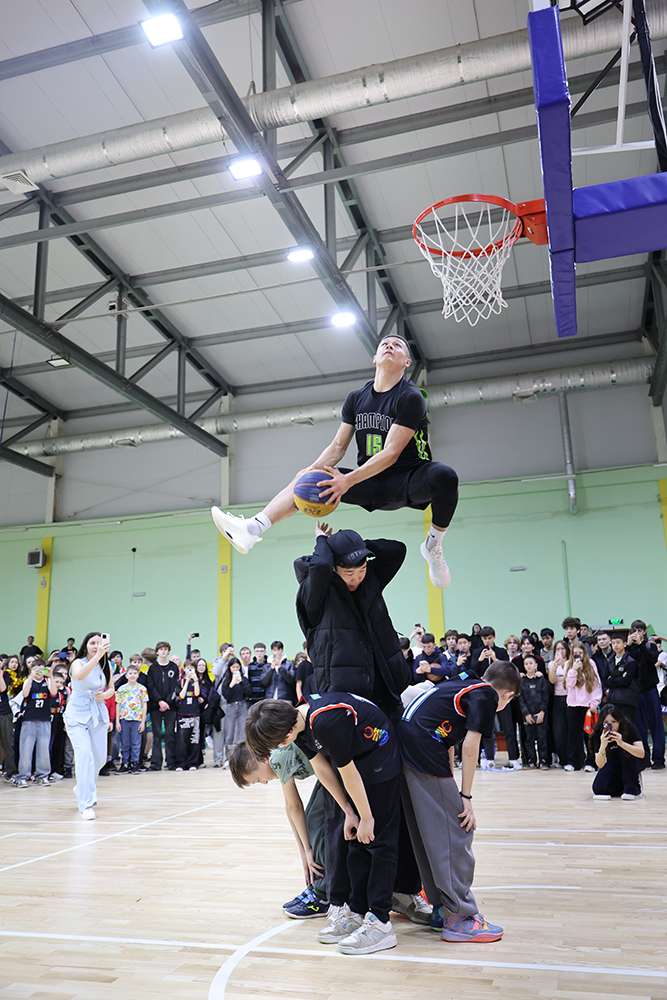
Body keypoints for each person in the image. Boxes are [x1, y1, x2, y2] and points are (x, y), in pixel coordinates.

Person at [212, 333, 459, 588]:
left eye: (398, 345)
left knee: (445, 476)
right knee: (307, 479)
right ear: (374, 358)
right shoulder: (356, 398)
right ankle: (252, 529)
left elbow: (391, 453)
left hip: (408, 479)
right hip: (369, 480)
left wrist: (346, 481)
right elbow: (338, 446)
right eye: (384, 344)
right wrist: (310, 471)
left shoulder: (410, 397)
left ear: (407, 362)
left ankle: (433, 545)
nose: (389, 345)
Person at [246, 693, 402, 956]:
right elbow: (323, 769)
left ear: (284, 735)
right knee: (353, 841)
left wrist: (366, 817)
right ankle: (357, 912)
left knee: (379, 842)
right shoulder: (299, 727)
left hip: (380, 759)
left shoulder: (326, 722)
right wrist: (349, 811)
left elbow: (348, 772)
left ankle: (381, 923)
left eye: (275, 743)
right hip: (359, 762)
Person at [398, 662, 520, 942]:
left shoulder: (463, 681)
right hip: (422, 749)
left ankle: (441, 908)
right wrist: (465, 797)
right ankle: (461, 917)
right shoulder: (487, 695)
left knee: (429, 833)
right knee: (458, 829)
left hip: (406, 746)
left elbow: (447, 735)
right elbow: (470, 746)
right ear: (507, 695)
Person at [230, 741, 338, 918]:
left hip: (338, 763)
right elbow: (290, 808)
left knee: (317, 822)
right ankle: (318, 887)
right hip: (329, 765)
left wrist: (308, 850)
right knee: (311, 818)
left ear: (262, 759)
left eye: (257, 779)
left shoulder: (278, 758)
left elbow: (295, 806)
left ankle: (323, 895)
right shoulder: (274, 758)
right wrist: (303, 851)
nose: (264, 782)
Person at [64, 633, 114, 819]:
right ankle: (85, 803)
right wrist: (97, 656)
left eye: (99, 643)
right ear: (86, 645)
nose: (96, 646)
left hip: (97, 714)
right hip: (77, 715)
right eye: (93, 643)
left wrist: (105, 695)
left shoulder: (107, 665)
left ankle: (82, 787)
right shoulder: (77, 663)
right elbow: (79, 676)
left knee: (99, 758)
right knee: (84, 756)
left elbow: (111, 689)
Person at [471, 628, 519, 769]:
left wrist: (495, 659)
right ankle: (489, 758)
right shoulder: (476, 652)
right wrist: (480, 660)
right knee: (488, 728)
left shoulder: (501, 651)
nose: (487, 641)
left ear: (494, 637)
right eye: (484, 638)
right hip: (485, 696)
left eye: (489, 638)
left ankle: (513, 758)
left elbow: (508, 670)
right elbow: (472, 672)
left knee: (508, 727)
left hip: (502, 693)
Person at [13, 658, 59, 788]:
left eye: (41, 668)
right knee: (26, 749)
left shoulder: (47, 681)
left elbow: (54, 693)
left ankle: (42, 776)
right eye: (35, 669)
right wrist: (31, 676)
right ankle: (23, 776)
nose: (38, 671)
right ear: (31, 669)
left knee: (43, 750)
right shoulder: (28, 681)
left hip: (45, 720)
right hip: (29, 720)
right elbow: (25, 693)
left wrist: (50, 676)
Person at [626, 620, 664, 770]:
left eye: (639, 630)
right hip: (635, 692)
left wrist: (641, 644)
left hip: (650, 690)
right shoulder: (630, 648)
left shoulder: (650, 645)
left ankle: (659, 758)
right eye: (634, 631)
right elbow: (626, 663)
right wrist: (628, 645)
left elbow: (652, 659)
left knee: (656, 725)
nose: (637, 633)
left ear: (644, 632)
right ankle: (644, 758)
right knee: (639, 726)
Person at [592, 706, 645, 800]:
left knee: (625, 756)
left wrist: (622, 743)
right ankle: (616, 789)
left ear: (619, 721)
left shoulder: (628, 727)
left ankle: (632, 788)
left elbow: (641, 753)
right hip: (611, 765)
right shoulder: (598, 733)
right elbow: (599, 764)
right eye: (606, 722)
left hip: (628, 765)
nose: (611, 725)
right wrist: (603, 746)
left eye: (614, 722)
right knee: (599, 789)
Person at [564, 642, 602, 772]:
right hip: (573, 705)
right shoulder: (568, 665)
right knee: (573, 735)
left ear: (584, 653)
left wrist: (595, 702)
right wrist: (574, 670)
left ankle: (591, 762)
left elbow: (596, 685)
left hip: (587, 705)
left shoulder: (591, 664)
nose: (578, 655)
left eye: (580, 653)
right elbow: (569, 685)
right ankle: (573, 761)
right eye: (575, 653)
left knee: (589, 735)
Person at [145, 641, 180, 771]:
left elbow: (175, 687)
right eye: (161, 649)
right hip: (156, 706)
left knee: (170, 734)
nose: (164, 651)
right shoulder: (152, 668)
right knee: (157, 734)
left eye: (166, 649)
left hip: (171, 706)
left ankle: (171, 762)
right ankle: (155, 763)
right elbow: (151, 686)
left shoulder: (174, 667)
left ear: (168, 651)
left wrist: (167, 702)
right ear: (157, 652)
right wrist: (159, 701)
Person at [115, 661, 148, 773]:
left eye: (135, 673)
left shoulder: (142, 689)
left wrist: (143, 722)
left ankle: (135, 763)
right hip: (124, 719)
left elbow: (144, 705)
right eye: (130, 673)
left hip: (137, 720)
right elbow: (118, 704)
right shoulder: (121, 689)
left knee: (136, 743)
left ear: (138, 675)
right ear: (126, 675)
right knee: (125, 743)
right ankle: (125, 763)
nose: (132, 675)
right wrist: (117, 721)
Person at [519, 655, 549, 768]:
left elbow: (545, 697)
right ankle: (531, 760)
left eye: (531, 663)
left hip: (540, 714)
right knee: (529, 739)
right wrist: (526, 714)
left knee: (542, 738)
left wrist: (542, 712)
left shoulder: (541, 680)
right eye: (526, 664)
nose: (529, 666)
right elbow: (521, 699)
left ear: (536, 665)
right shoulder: (522, 681)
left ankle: (543, 760)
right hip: (528, 715)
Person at [220, 657, 251, 766]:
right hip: (230, 707)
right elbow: (226, 695)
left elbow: (248, 692)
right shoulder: (226, 680)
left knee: (242, 733)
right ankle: (228, 759)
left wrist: (241, 682)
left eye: (237, 667)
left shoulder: (244, 679)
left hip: (242, 706)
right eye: (233, 667)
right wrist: (232, 683)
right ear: (229, 668)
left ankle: (242, 759)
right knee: (229, 733)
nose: (235, 669)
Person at [605, 632, 640, 727]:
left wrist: (612, 679)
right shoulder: (610, 660)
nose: (615, 645)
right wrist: (619, 677)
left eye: (618, 642)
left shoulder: (631, 661)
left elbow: (626, 681)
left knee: (627, 727)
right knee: (614, 726)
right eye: (613, 643)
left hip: (627, 700)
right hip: (612, 699)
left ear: (624, 644)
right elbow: (606, 680)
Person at [174, 661, 202, 771]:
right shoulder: (179, 681)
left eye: (192, 668)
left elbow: (197, 694)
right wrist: (186, 681)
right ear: (184, 669)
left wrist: (195, 680)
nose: (190, 670)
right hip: (182, 715)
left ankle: (193, 763)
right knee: (182, 741)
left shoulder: (196, 681)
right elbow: (181, 695)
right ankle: (181, 764)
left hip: (195, 714)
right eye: (187, 668)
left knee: (194, 740)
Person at [547, 639, 569, 767]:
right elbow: (552, 680)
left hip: (570, 698)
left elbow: (570, 682)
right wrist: (555, 667)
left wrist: (565, 666)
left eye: (562, 649)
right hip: (557, 699)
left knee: (569, 729)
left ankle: (572, 758)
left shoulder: (571, 663)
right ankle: (562, 758)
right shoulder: (552, 664)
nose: (560, 651)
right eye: (558, 649)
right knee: (558, 730)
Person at [49, 667, 69, 780]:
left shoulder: (66, 691)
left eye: (61, 682)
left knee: (60, 745)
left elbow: (68, 705)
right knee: (49, 745)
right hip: (51, 718)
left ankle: (58, 769)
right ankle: (48, 770)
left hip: (61, 719)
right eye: (56, 681)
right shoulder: (49, 690)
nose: (59, 684)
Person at [0, 660, 16, 781]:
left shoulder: (5, 674)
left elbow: (2, 688)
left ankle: (11, 772)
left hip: (4, 713)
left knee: (7, 743)